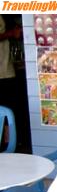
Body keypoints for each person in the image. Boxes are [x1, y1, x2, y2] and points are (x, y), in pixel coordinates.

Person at [0, 15, 21, 150]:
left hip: (6, 70)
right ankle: (6, 144)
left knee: (8, 111)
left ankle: (8, 144)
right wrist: (11, 33)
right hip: (2, 72)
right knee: (6, 110)